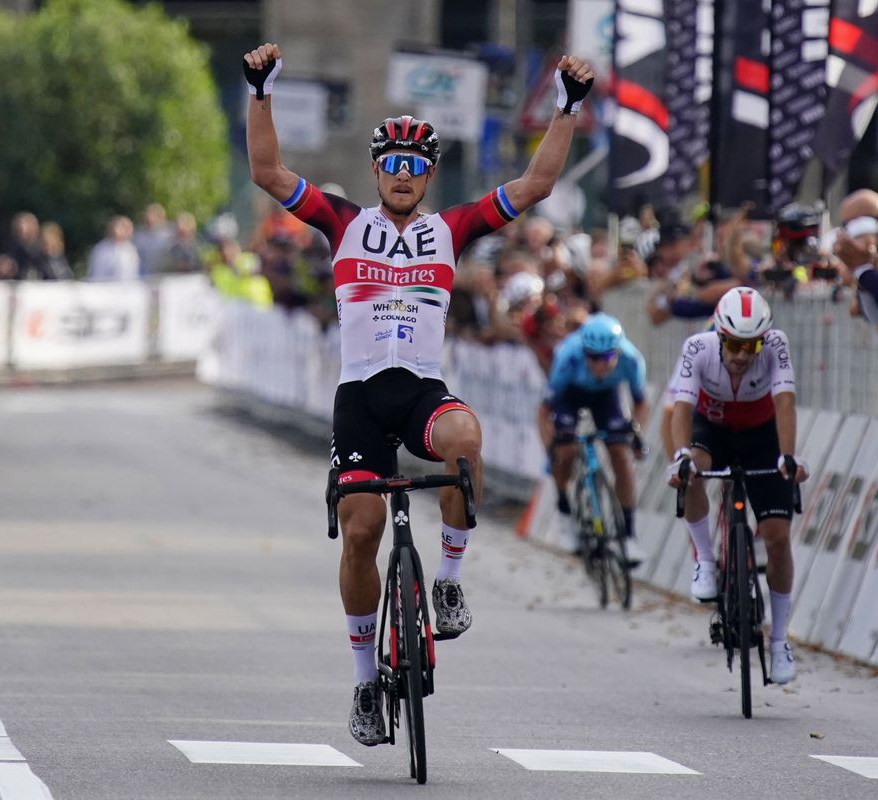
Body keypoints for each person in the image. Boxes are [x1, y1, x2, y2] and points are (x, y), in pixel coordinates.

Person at [243, 41, 594, 746]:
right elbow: (266, 170)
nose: (403, 175)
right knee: (364, 532)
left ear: (429, 174)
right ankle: (365, 681)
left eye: (416, 165)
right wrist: (260, 93)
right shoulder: (342, 221)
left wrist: (566, 107)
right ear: (377, 171)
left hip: (421, 393)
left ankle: (451, 579)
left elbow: (533, 187)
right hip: (360, 400)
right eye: (392, 164)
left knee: (465, 442)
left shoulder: (449, 228)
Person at [665, 287, 808, 685]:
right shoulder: (699, 347)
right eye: (734, 344)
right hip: (714, 430)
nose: (743, 355)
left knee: (779, 540)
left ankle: (779, 642)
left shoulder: (776, 345)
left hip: (761, 435)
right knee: (693, 468)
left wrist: (787, 455)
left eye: (751, 345)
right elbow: (682, 408)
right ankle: (706, 561)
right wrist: (680, 455)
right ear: (720, 335)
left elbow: (784, 402)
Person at [542, 313, 648, 556]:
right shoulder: (568, 357)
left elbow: (642, 403)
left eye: (608, 357)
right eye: (593, 357)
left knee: (620, 455)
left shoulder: (631, 360)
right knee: (565, 451)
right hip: (570, 395)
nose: (600, 365)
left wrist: (635, 432)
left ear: (618, 352)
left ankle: (628, 535)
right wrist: (550, 447)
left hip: (607, 396)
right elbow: (544, 409)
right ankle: (564, 512)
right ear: (584, 352)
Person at [87, 216, 140, 281]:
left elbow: (133, 273)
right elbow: (97, 273)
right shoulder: (101, 249)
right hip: (104, 287)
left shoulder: (131, 250)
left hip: (126, 288)